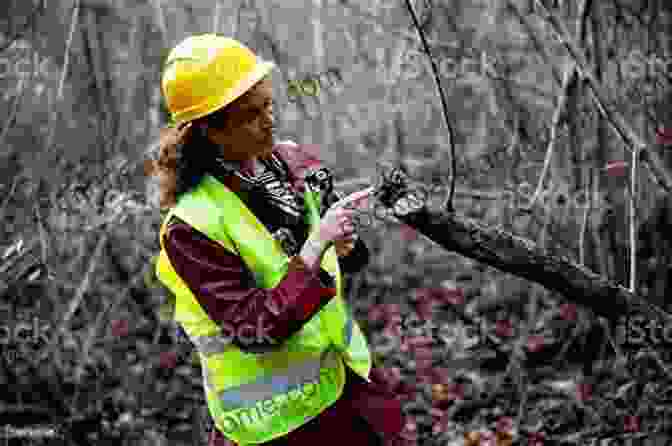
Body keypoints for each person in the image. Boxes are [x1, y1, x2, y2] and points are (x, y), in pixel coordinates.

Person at [148, 34, 406, 445]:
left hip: (343, 390)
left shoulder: (290, 163)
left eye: (268, 105)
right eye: (250, 116)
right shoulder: (191, 227)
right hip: (273, 421)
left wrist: (345, 246)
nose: (268, 120)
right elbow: (255, 328)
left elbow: (346, 261)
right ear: (208, 131)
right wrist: (316, 245)